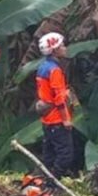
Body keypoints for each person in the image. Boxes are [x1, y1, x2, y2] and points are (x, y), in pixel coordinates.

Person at [35, 32, 77, 186]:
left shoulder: (43, 67)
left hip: (46, 118)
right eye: (61, 46)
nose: (64, 48)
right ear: (54, 50)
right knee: (65, 154)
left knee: (49, 152)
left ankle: (45, 179)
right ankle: (52, 183)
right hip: (56, 118)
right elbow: (59, 98)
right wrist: (66, 119)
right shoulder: (55, 71)